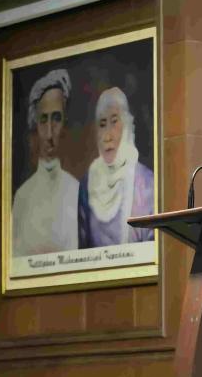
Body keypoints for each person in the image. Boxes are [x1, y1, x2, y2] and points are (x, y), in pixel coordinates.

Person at [12, 69, 80, 257]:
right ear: (35, 124)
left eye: (56, 118)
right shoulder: (22, 197)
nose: (49, 133)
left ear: (65, 122)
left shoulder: (76, 193)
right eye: (43, 120)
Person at [78, 87, 154, 248]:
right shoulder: (88, 183)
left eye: (114, 122)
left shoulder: (147, 183)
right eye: (102, 124)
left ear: (126, 125)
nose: (107, 136)